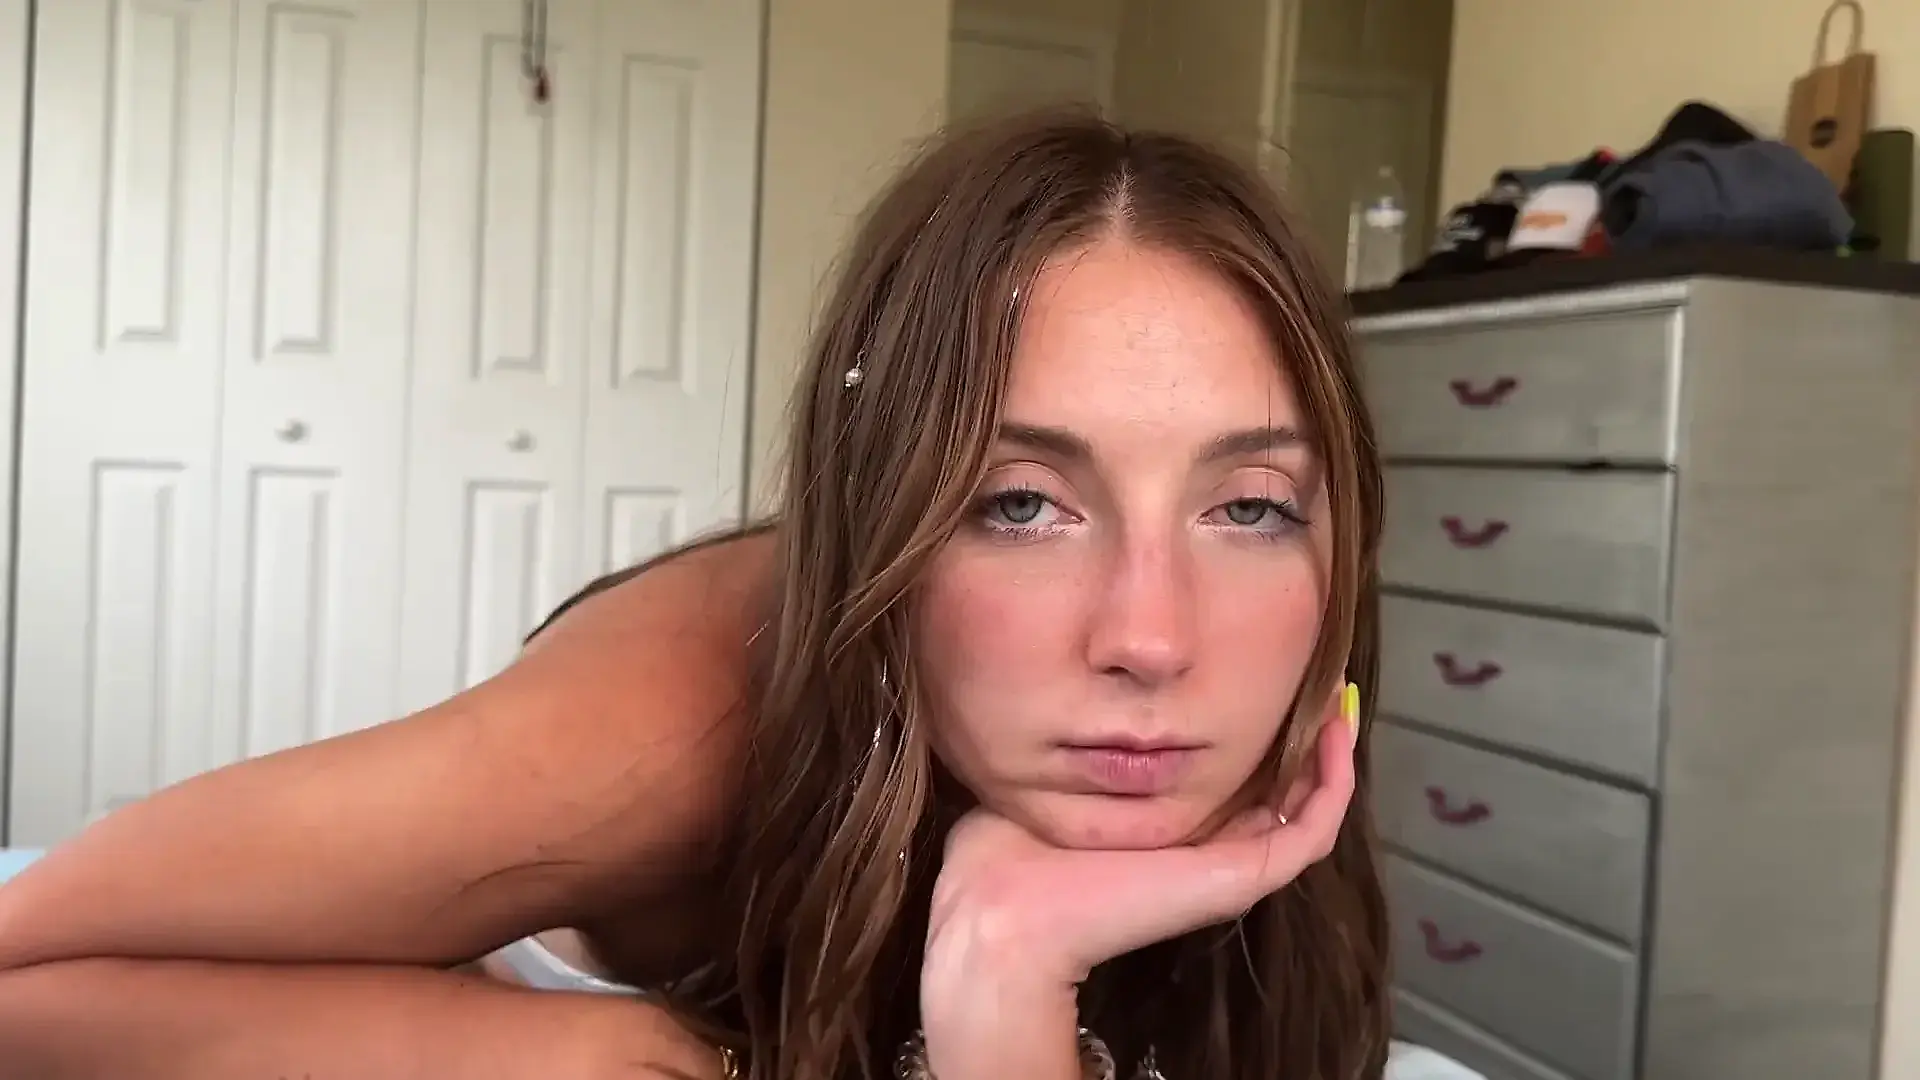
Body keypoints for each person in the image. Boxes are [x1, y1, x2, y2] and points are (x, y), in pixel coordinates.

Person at [0, 107, 1387, 1080]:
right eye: (1018, 504)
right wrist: (608, 1060)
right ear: (881, 519)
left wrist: (1006, 978)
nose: (1150, 637)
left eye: (1250, 508)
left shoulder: (1281, 796)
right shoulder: (668, 728)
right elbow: (24, 963)